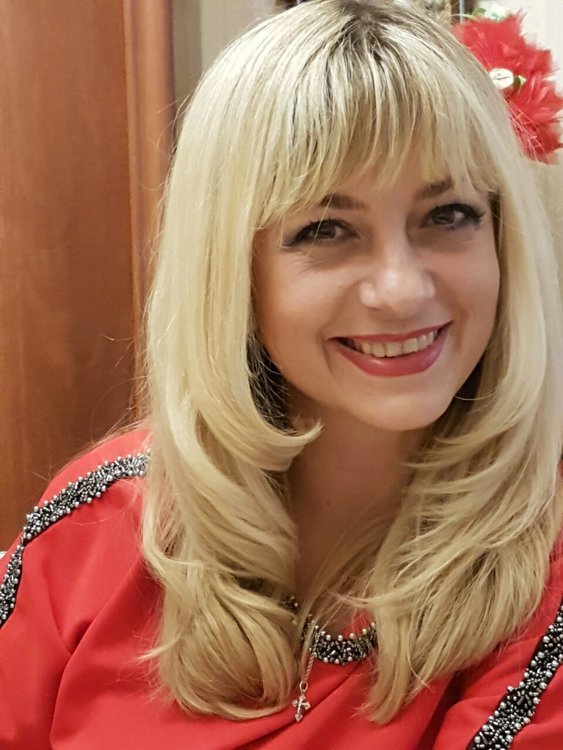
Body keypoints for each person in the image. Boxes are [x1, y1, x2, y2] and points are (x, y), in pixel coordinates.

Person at [1, 0, 562, 747]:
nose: (401, 289)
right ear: (234, 271)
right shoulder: (96, 521)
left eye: (448, 215)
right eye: (326, 229)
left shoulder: (544, 572)